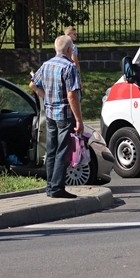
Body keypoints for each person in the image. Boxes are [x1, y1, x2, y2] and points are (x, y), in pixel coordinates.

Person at [29, 35, 83, 199]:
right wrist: (79, 120)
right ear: (68, 50)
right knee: (62, 151)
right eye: (72, 48)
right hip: (64, 115)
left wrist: (47, 97)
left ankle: (50, 186)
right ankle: (58, 188)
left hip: (50, 113)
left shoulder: (46, 65)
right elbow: (72, 96)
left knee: (51, 150)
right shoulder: (69, 67)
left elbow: (33, 84)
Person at [64, 25, 82, 98]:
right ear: (68, 35)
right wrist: (79, 75)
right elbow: (75, 61)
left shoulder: (61, 45)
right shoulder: (73, 46)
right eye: (74, 34)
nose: (76, 35)